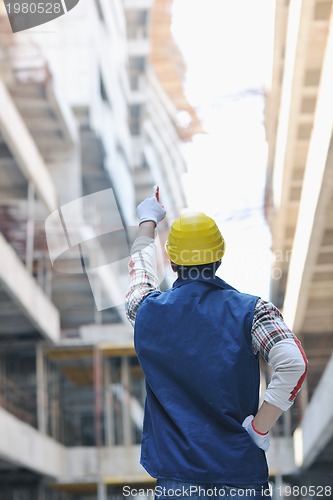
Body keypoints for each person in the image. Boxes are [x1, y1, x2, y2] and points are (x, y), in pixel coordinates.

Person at [125, 188, 308, 500]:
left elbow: (139, 275)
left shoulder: (147, 310)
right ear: (219, 258)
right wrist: (259, 428)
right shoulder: (253, 311)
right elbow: (294, 363)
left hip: (178, 484)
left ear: (171, 262)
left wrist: (148, 220)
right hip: (241, 479)